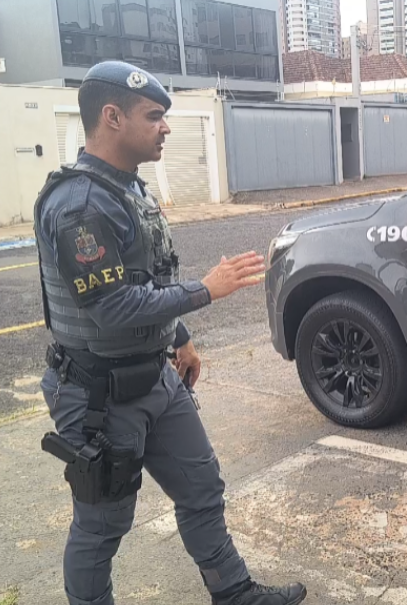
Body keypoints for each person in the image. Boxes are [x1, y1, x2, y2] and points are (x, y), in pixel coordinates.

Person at [33, 60, 307, 605]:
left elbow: (148, 277)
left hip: (156, 378)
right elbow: (111, 307)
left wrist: (178, 335)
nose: (165, 127)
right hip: (97, 394)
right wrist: (205, 290)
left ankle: (234, 592)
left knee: (202, 489)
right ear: (112, 117)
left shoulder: (128, 190)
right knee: (102, 524)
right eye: (153, 116)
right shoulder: (80, 205)